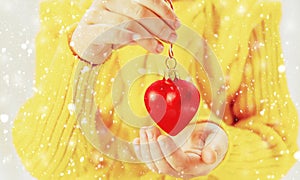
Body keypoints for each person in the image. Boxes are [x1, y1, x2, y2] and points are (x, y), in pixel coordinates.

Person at [12, 0, 298, 179]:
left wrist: (222, 152)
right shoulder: (70, 5)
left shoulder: (247, 6)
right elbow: (48, 162)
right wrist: (82, 56)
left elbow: (280, 144)